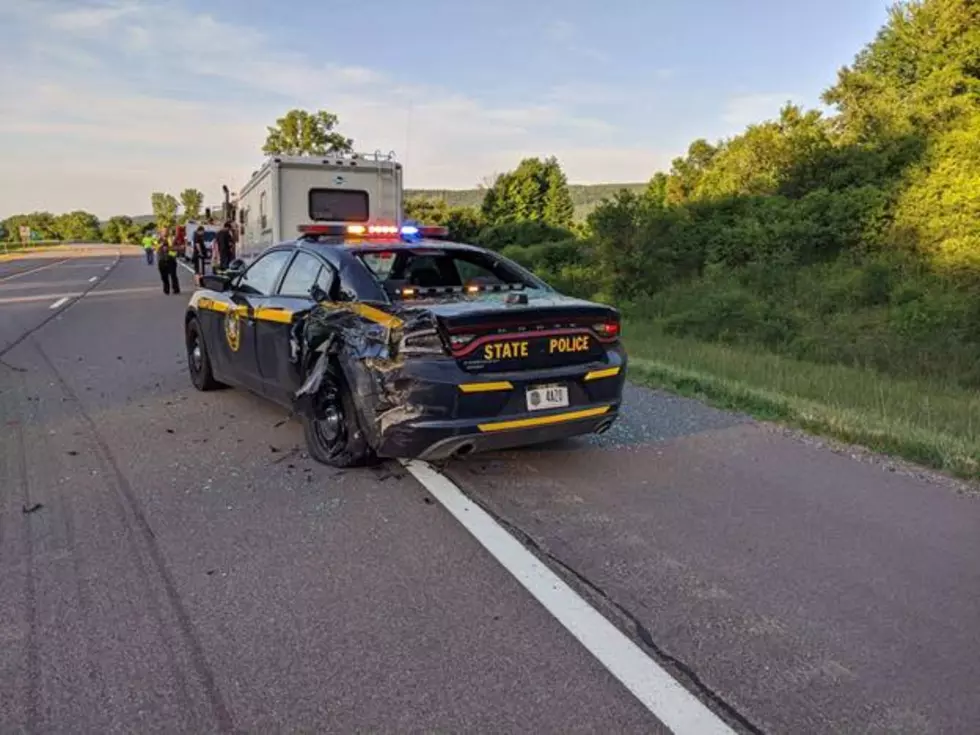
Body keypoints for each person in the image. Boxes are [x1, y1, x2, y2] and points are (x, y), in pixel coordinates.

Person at [156, 229, 181, 295]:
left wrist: (170, 249)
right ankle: (166, 289)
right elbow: (155, 248)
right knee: (164, 277)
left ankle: (176, 289)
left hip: (171, 260)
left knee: (173, 275)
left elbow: (178, 248)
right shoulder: (158, 240)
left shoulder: (172, 239)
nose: (165, 232)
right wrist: (160, 246)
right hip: (162, 260)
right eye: (163, 231)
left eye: (166, 231)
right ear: (161, 233)